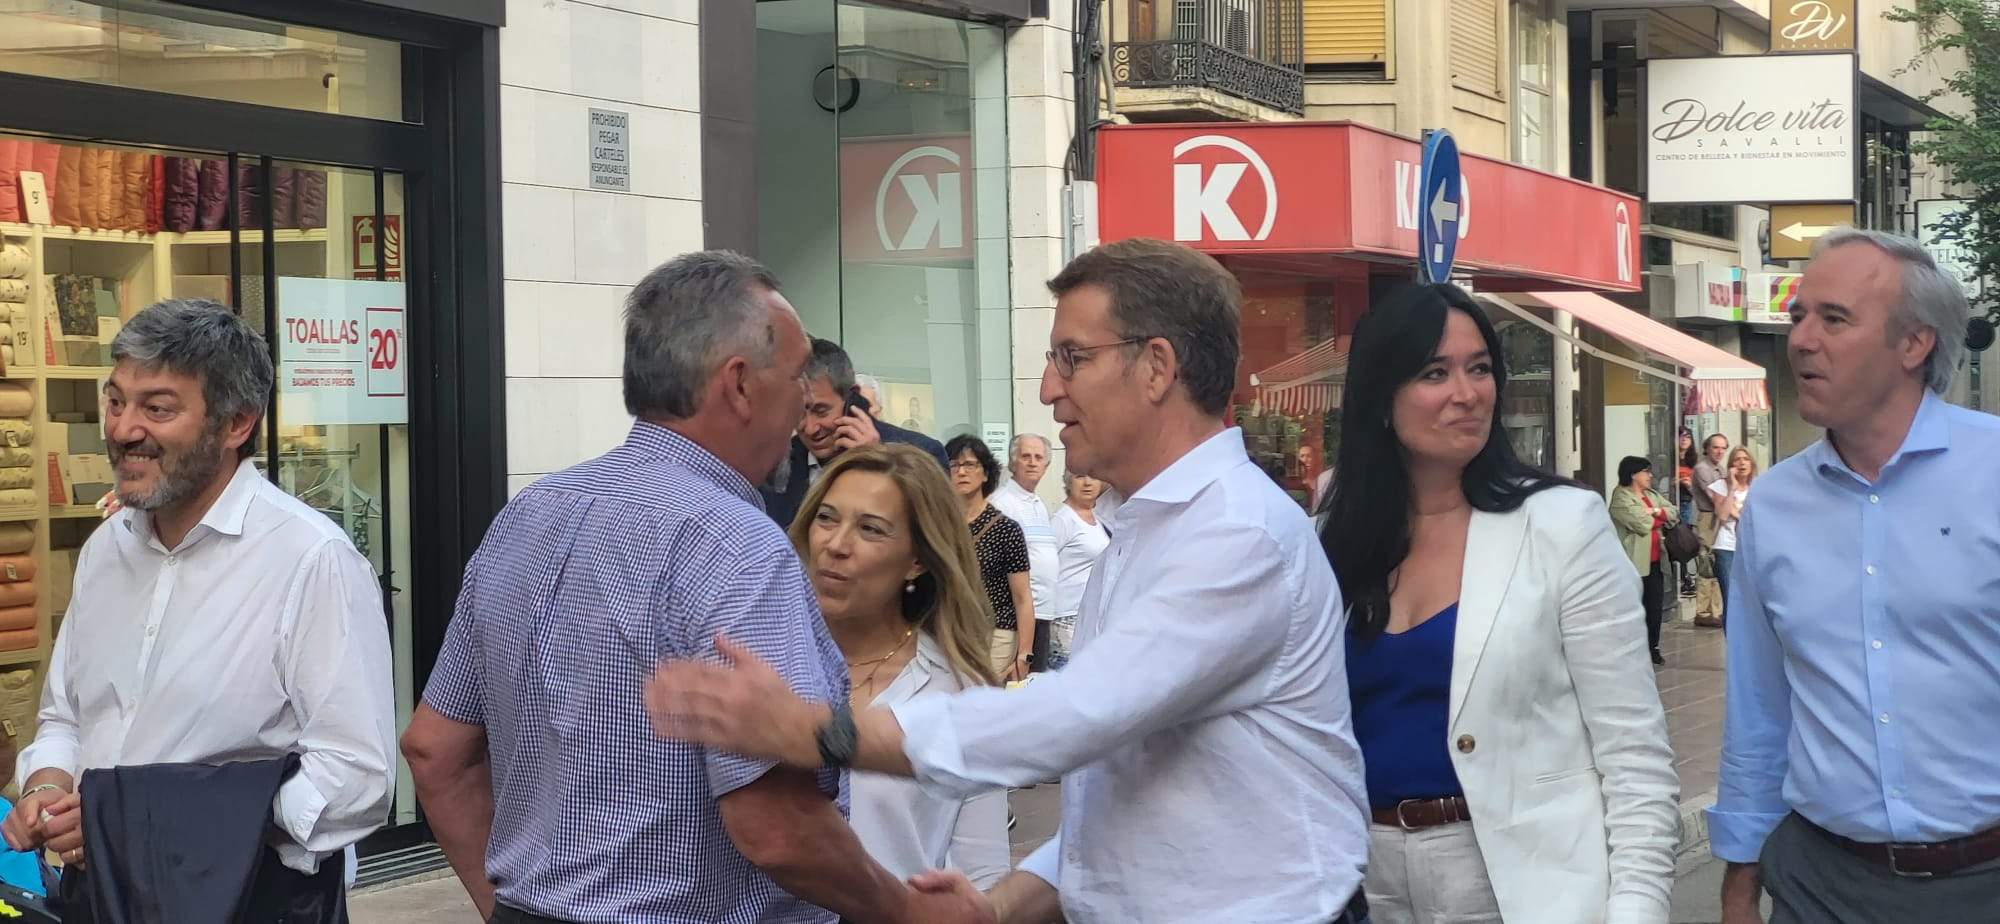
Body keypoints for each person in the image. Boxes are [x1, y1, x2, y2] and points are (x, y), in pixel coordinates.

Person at [645, 238, 1372, 924]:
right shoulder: (1149, 531)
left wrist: (818, 732)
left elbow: (1073, 718)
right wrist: (995, 909)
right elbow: (1117, 801)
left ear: (1157, 367)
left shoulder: (1237, 536)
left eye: (1071, 358)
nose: (1049, 388)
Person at [397, 252, 984, 924]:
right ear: (739, 384)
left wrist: (508, 907)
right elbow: (776, 827)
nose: (804, 403)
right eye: (796, 376)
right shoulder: (739, 546)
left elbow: (434, 751)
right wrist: (904, 911)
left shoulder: (529, 515)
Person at [2, 299, 394, 899]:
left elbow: (357, 779)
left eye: (157, 408)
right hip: (99, 890)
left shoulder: (311, 560)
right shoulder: (106, 550)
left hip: (237, 894)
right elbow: (66, 717)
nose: (123, 430)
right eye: (115, 401)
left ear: (236, 423)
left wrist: (152, 823)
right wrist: (46, 787)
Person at [1321, 284, 1678, 924]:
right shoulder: (1330, 536)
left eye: (1480, 368)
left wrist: (1637, 909)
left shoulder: (1562, 523)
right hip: (1363, 882)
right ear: (1380, 397)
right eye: (1435, 373)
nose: (1467, 393)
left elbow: (1635, 754)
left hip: (1521, 882)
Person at [1711, 228, 2000, 923]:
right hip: (1823, 885)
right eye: (1799, 316)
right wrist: (1741, 874)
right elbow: (1758, 703)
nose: (1802, 340)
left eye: (1834, 319)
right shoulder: (1774, 504)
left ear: (1914, 343)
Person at [790, 442, 1008, 887]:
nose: (836, 544)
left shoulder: (958, 690)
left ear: (917, 560)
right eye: (826, 518)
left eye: (870, 529)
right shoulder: (764, 662)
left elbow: (983, 873)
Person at [760, 338, 949, 527]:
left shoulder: (923, 453)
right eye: (798, 412)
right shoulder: (775, 464)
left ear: (852, 397)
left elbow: (936, 533)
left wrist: (878, 464)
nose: (810, 428)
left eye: (821, 411)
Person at [943, 435, 1036, 681]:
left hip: (996, 632)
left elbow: (1022, 597)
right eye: (953, 465)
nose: (961, 472)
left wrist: (1024, 654)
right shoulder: (940, 526)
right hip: (950, 631)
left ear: (985, 473)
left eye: (969, 464)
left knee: (983, 696)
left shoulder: (1006, 529)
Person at [987, 434, 1058, 673]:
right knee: (1013, 685)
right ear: (1012, 462)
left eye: (1038, 458)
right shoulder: (1001, 504)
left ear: (1046, 466)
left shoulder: (1039, 504)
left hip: (1043, 613)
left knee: (1033, 686)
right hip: (1017, 619)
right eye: (1026, 456)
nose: (1032, 462)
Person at [1608, 456, 1677, 666]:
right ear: (1633, 474)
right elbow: (1641, 523)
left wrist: (1654, 511)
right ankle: (1631, 648)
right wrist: (1659, 517)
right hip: (1634, 562)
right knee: (1633, 608)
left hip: (1657, 560)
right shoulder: (1621, 497)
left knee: (1654, 608)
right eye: (1646, 472)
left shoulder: (1651, 495)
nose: (1650, 476)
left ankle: (1652, 647)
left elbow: (1673, 513)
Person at [1046, 469, 1108, 670]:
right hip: (1065, 616)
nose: (1087, 483)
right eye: (1080, 477)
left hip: (1088, 614)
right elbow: (1045, 566)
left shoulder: (1098, 518)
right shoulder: (1063, 519)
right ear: (1068, 482)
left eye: (1093, 477)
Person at [1706, 447, 1756, 627]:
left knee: (1751, 598)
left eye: (1746, 459)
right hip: (1726, 547)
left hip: (1751, 547)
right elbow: (1722, 514)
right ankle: (1733, 639)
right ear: (1731, 465)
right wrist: (1732, 488)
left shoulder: (1757, 486)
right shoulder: (1721, 486)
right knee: (1730, 596)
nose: (1742, 463)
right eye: (1737, 459)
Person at [1690, 433, 1729, 628]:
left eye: (1723, 448)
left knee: (1717, 560)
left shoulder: (1720, 468)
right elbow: (1715, 496)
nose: (1720, 451)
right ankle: (1703, 611)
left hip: (1720, 516)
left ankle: (1716, 610)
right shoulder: (1702, 469)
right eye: (1716, 447)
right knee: (1706, 562)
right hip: (1708, 516)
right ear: (1707, 448)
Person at [1674, 429, 1698, 599]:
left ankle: (1686, 577)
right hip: (1671, 501)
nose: (1684, 440)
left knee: (1684, 541)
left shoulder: (1693, 462)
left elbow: (1697, 489)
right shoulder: (1668, 459)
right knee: (1675, 540)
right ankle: (1683, 577)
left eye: (1688, 437)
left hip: (1686, 503)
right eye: (1681, 436)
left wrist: (1689, 485)